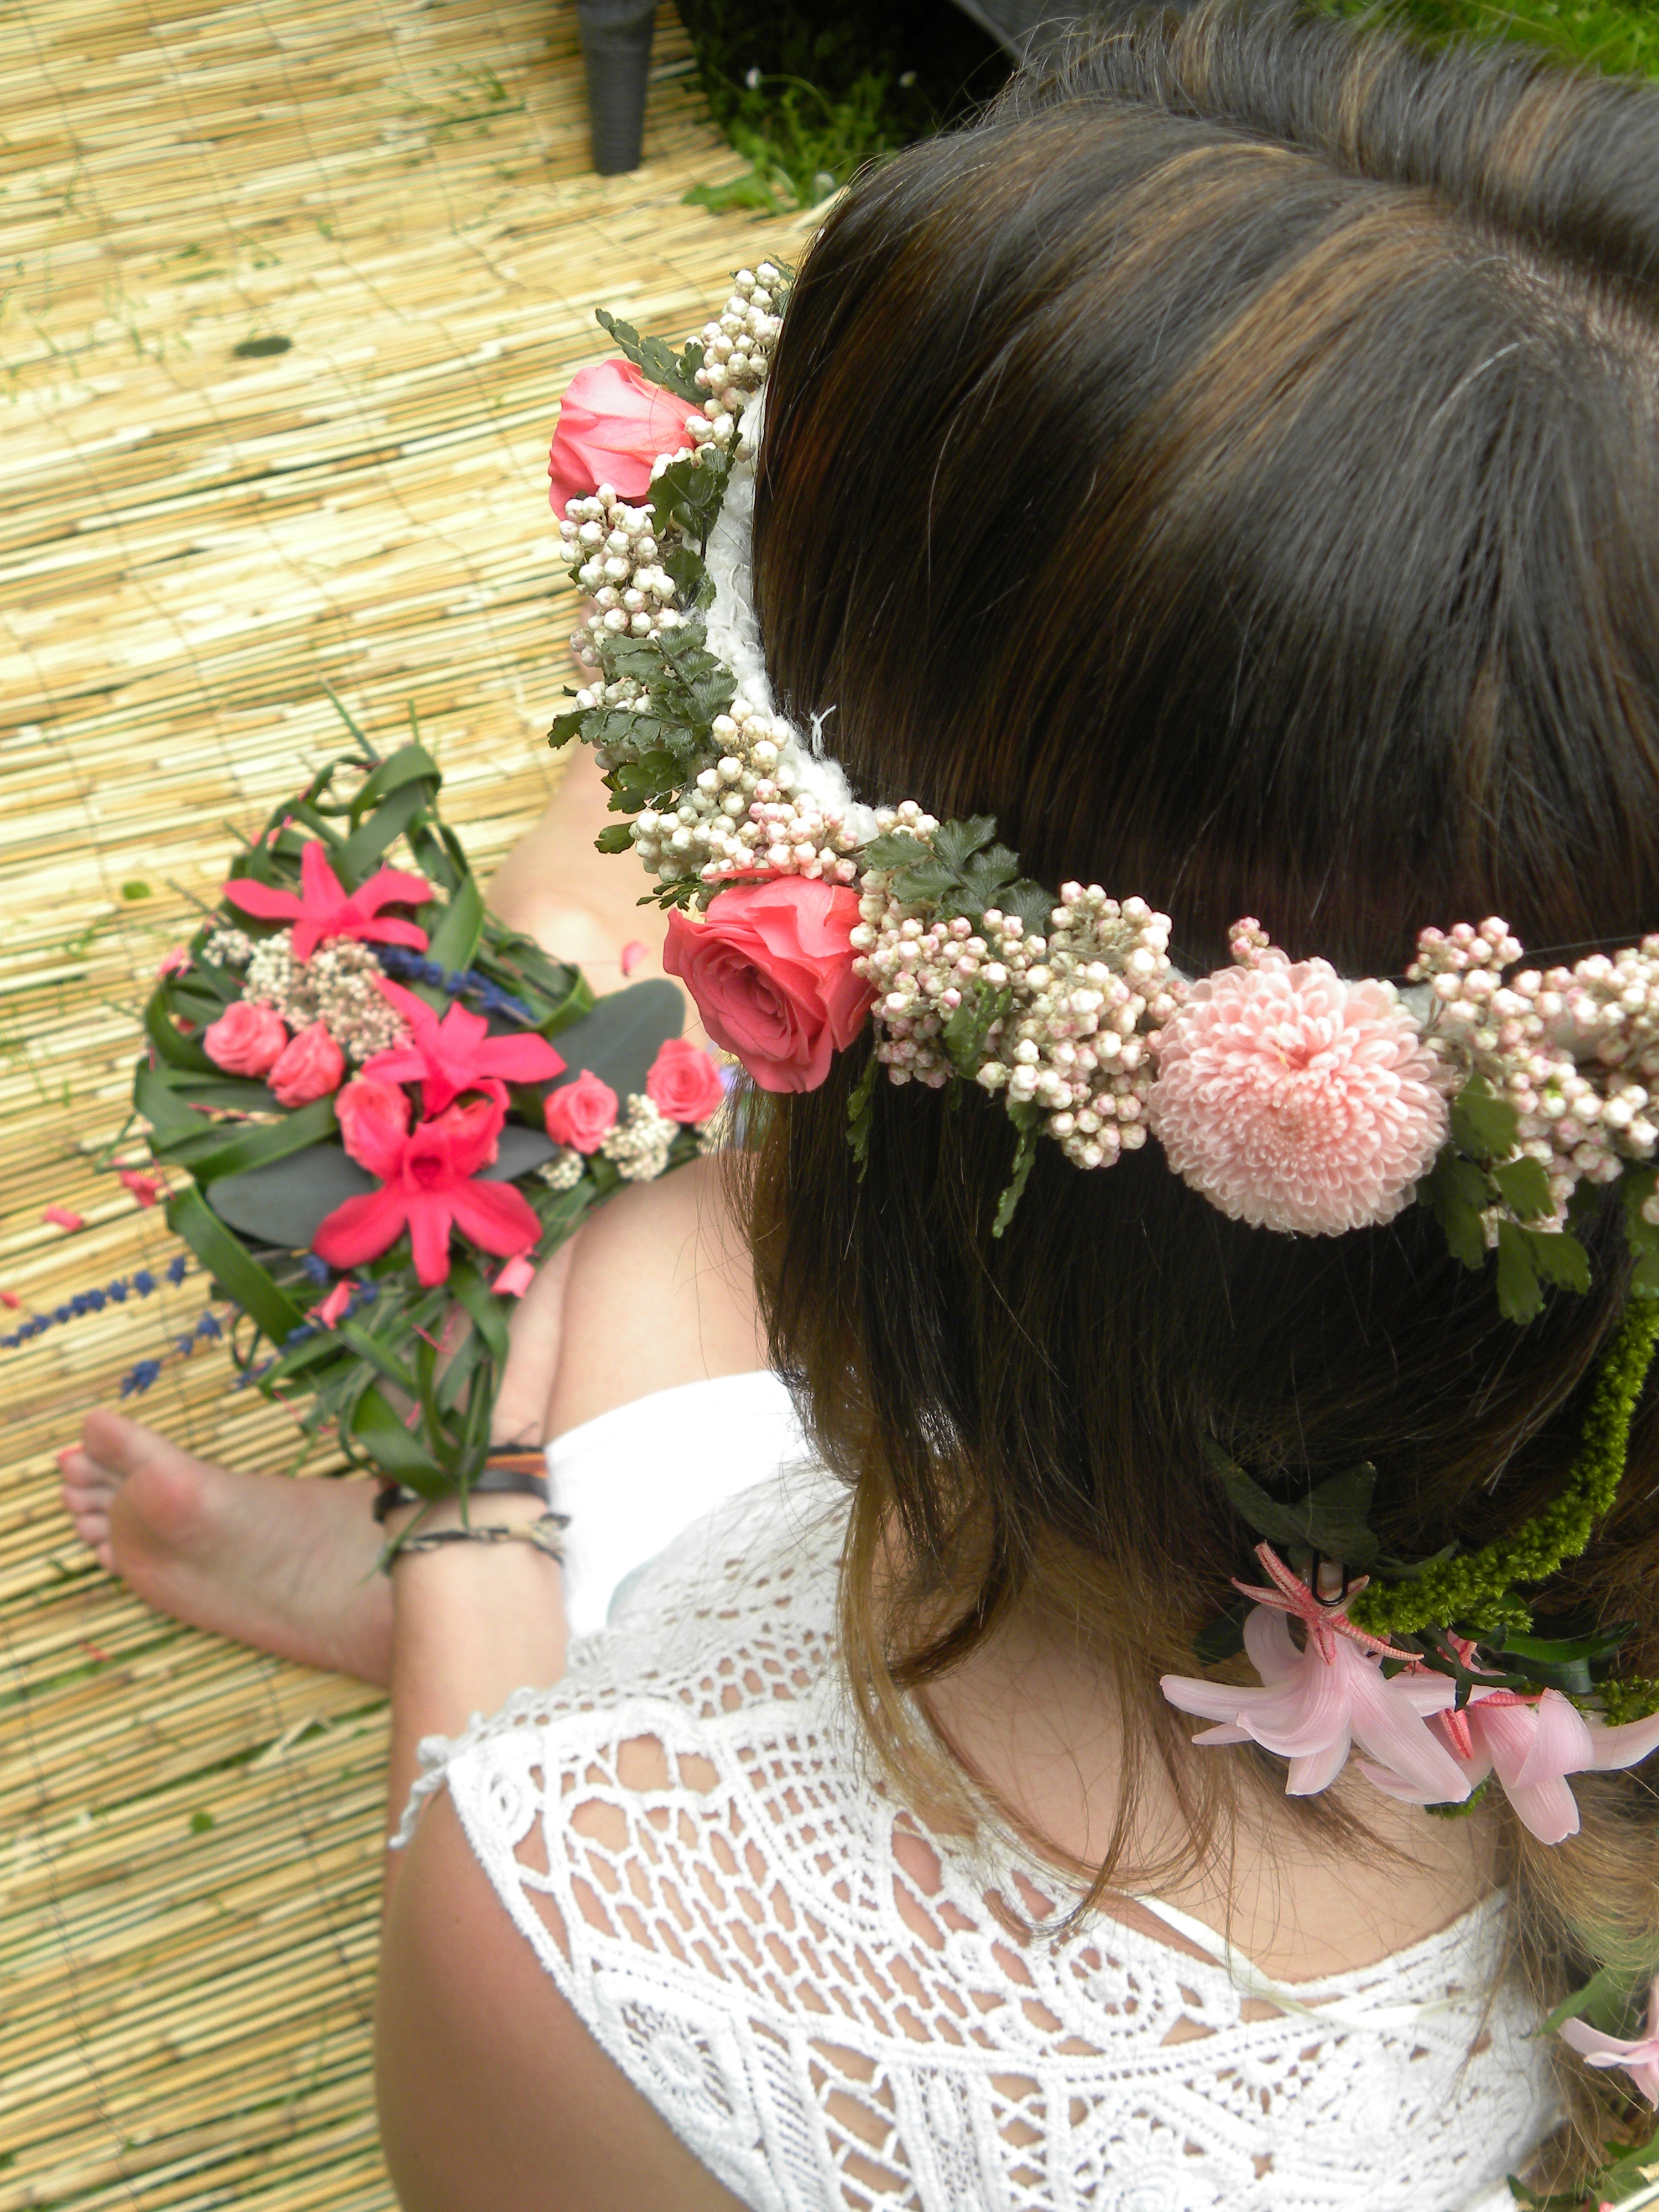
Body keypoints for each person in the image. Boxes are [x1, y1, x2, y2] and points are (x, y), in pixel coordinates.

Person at [59, 1, 1659, 2203]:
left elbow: (517, 1987)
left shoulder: (614, 1949)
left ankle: (494, 1525)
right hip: (1160, 1539)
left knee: (583, 1068)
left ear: (931, 1199)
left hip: (784, 1724)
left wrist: (470, 1564)